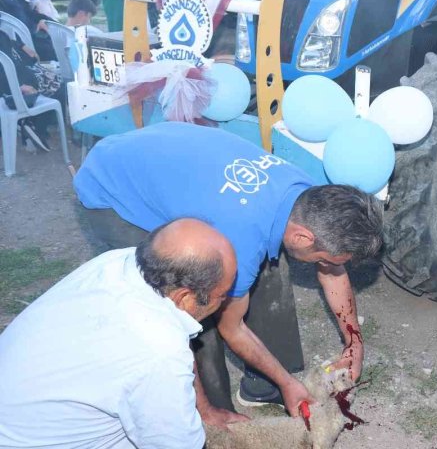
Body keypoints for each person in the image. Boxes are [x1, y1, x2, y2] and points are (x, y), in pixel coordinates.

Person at [74, 122, 383, 424]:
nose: (327, 265)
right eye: (324, 259)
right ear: (303, 237)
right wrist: (289, 384)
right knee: (193, 309)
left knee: (262, 271)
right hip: (111, 186)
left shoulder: (307, 196)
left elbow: (332, 270)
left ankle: (263, 387)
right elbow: (231, 328)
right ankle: (209, 411)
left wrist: (354, 342)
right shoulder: (241, 235)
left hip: (167, 155)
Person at [0, 219, 238, 448]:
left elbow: (177, 327)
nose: (226, 299)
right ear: (184, 297)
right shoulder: (158, 351)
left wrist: (203, 409)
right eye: (222, 294)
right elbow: (177, 444)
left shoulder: (120, 262)